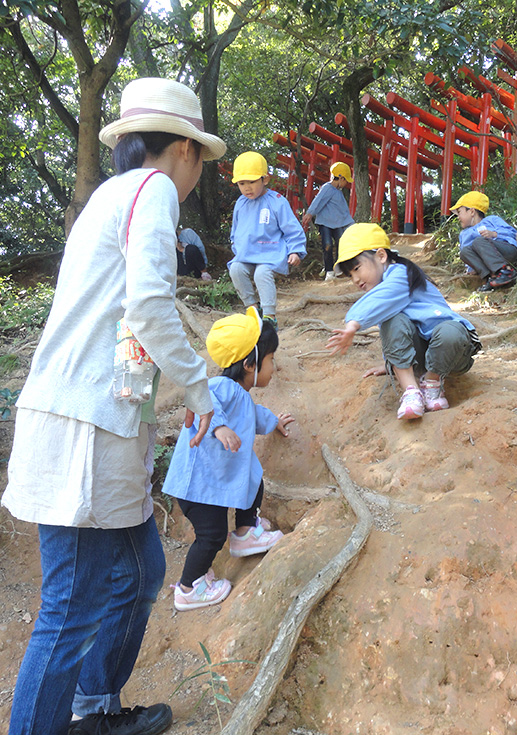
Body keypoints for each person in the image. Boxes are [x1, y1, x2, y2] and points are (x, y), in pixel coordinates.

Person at [0, 78, 226, 735]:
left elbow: (126, 326)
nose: (196, 175)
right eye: (200, 162)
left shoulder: (112, 195)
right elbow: (149, 309)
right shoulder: (152, 191)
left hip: (100, 417)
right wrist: (200, 385)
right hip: (83, 423)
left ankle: (94, 708)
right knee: (71, 602)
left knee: (139, 570)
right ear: (183, 148)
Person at [163, 310, 293, 611]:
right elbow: (202, 399)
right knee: (211, 536)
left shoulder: (241, 395)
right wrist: (218, 425)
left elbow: (254, 416)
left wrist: (274, 421)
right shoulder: (220, 388)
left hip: (210, 483)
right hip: (197, 485)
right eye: (271, 359)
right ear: (250, 365)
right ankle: (187, 588)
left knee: (253, 479)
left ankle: (246, 532)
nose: (274, 367)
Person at [326, 223, 481, 420]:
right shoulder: (384, 295)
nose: (355, 279)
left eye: (357, 268)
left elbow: (380, 299)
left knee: (449, 331)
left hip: (453, 353)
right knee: (392, 319)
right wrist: (391, 361)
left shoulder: (401, 275)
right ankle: (411, 391)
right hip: (422, 356)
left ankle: (432, 383)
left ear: (381, 256)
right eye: (350, 275)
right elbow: (393, 330)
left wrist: (353, 324)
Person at [228, 151, 307, 330]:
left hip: (270, 253)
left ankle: (269, 316)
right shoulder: (240, 203)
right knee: (236, 269)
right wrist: (236, 246)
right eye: (242, 183)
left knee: (261, 273)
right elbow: (236, 231)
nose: (247, 187)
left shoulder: (277, 201)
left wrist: (295, 250)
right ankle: (253, 309)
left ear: (265, 179)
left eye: (252, 182)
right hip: (246, 254)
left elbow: (291, 228)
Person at [450, 191, 517, 290]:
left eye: (459, 212)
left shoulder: (492, 220)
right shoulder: (464, 234)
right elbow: (469, 253)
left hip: (507, 250)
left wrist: (494, 234)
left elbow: (512, 233)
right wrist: (472, 267)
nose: (458, 217)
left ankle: (506, 271)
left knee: (478, 241)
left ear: (472, 212)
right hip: (488, 262)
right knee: (464, 252)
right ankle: (492, 278)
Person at [301, 161, 355, 280]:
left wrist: (351, 224)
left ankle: (338, 268)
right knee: (327, 246)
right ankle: (329, 271)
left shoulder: (339, 193)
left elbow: (344, 211)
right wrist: (310, 213)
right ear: (340, 177)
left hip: (337, 224)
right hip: (325, 223)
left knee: (341, 244)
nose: (346, 183)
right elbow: (318, 201)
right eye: (345, 180)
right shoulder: (327, 188)